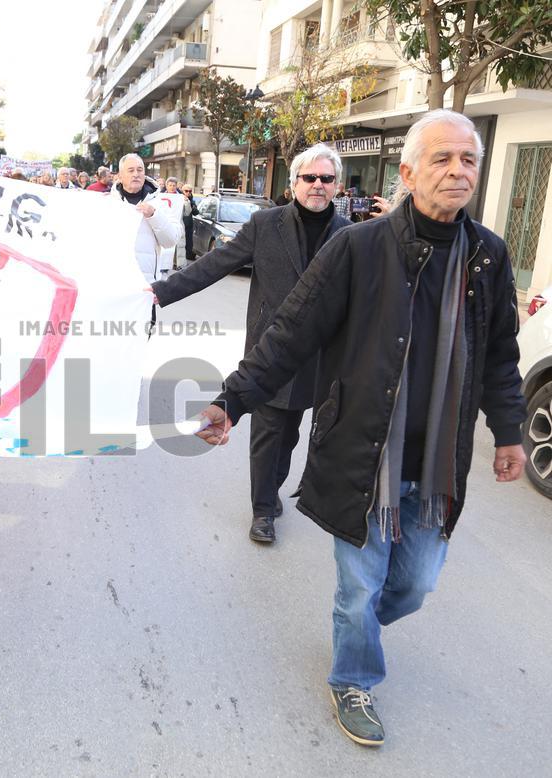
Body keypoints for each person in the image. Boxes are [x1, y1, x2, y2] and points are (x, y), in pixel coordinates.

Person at [195, 110, 527, 747]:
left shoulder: (487, 255)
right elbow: (289, 332)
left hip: (437, 463)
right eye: (443, 159)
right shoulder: (358, 247)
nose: (459, 171)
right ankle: (353, 677)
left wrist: (508, 431)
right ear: (406, 172)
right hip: (364, 454)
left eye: (469, 160)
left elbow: (501, 355)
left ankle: (357, 626)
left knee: (415, 586)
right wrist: (233, 401)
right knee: (359, 587)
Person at [155, 143, 351, 542]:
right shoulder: (266, 225)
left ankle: (272, 490)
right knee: (268, 430)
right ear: (293, 183)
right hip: (269, 351)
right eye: (309, 177)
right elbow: (214, 265)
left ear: (337, 185)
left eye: (326, 179)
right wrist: (160, 292)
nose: (317, 185)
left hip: (315, 357)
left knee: (290, 433)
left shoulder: (350, 234)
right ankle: (262, 509)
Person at [111, 152, 179, 285]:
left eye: (139, 170)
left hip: (146, 286)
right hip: (115, 284)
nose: (136, 174)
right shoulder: (109, 203)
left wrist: (154, 216)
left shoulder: (161, 203)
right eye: (130, 170)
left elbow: (171, 241)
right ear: (120, 176)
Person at [181, 184, 198, 264]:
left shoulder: (192, 200)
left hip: (188, 226)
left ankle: (185, 261)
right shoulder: (178, 199)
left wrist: (191, 204)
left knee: (188, 245)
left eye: (190, 191)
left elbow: (196, 213)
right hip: (179, 225)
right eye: (186, 191)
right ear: (182, 191)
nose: (188, 193)